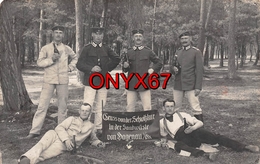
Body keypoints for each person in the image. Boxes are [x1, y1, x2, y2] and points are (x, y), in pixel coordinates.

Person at [159, 99, 259, 161]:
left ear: (174, 107)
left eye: (171, 106)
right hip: (182, 138)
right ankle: (206, 154)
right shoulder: (161, 122)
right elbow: (163, 135)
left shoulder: (182, 115)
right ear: (163, 108)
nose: (169, 108)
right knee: (178, 146)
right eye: (167, 106)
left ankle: (245, 147)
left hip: (194, 132)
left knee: (216, 137)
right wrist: (163, 141)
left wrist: (193, 127)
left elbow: (200, 123)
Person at [25, 25, 78, 139]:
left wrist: (70, 67)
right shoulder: (46, 48)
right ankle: (34, 131)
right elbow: (39, 63)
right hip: (49, 80)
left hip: (63, 80)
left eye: (60, 32)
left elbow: (75, 57)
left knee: (63, 106)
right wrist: (51, 60)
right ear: (52, 34)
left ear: (63, 35)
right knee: (42, 105)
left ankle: (61, 131)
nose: (58, 34)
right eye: (56, 32)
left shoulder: (66, 48)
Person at [19, 103, 106, 164]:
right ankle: (26, 157)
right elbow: (59, 127)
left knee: (46, 154)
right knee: (41, 144)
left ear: (90, 113)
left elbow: (93, 139)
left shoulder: (91, 126)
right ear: (79, 111)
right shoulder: (72, 119)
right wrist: (66, 139)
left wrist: (99, 143)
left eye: (87, 111)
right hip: (55, 135)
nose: (84, 112)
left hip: (64, 145)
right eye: (82, 110)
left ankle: (26, 161)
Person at [76, 27, 120, 134]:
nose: (98, 36)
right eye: (96, 34)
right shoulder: (87, 48)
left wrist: (106, 68)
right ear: (92, 35)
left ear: (103, 36)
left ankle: (98, 128)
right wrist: (91, 69)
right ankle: (85, 127)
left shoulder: (106, 48)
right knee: (87, 104)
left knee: (101, 105)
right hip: (90, 81)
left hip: (103, 81)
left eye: (101, 35)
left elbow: (116, 59)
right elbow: (79, 64)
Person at [122, 29, 163, 112]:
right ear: (133, 38)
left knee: (147, 108)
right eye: (136, 36)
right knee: (130, 108)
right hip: (131, 83)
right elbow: (125, 69)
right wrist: (125, 66)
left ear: (143, 38)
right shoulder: (128, 52)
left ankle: (147, 125)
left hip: (144, 83)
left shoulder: (147, 51)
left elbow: (159, 62)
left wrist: (152, 69)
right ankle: (130, 124)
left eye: (140, 36)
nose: (138, 38)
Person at [170, 31, 204, 122]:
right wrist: (173, 69)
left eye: (186, 38)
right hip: (178, 83)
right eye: (182, 39)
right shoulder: (178, 51)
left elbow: (200, 71)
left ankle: (200, 129)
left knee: (195, 107)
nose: (184, 40)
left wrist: (198, 87)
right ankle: (176, 127)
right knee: (176, 106)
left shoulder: (196, 52)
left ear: (190, 39)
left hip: (191, 84)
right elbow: (172, 67)